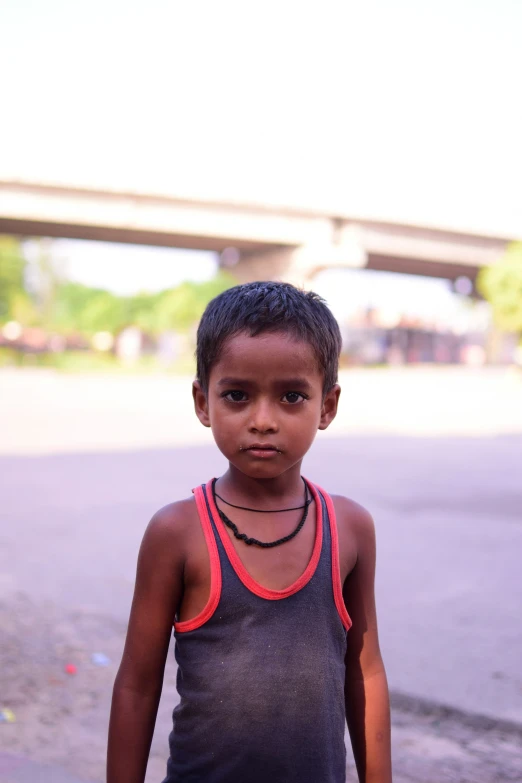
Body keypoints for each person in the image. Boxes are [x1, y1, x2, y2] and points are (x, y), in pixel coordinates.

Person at [107, 281, 392, 783]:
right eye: (237, 395)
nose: (263, 420)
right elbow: (137, 684)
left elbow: (364, 674)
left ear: (326, 406)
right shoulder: (177, 532)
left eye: (291, 396)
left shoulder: (350, 528)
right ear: (203, 402)